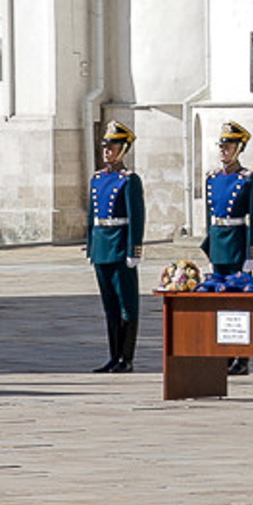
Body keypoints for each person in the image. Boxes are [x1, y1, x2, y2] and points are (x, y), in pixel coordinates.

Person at [202, 124, 253, 373]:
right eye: (222, 146)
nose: (223, 150)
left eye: (228, 146)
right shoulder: (212, 178)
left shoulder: (248, 179)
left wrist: (252, 251)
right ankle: (225, 354)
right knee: (220, 301)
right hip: (218, 244)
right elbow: (209, 217)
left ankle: (242, 357)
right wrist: (209, 248)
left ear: (239, 149)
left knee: (240, 302)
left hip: (237, 243)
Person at [87, 123, 145, 372]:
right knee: (109, 306)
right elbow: (92, 216)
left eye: (112, 147)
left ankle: (126, 358)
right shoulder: (97, 178)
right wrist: (91, 246)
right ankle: (113, 356)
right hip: (102, 245)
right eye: (105, 147)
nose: (107, 151)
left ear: (123, 150)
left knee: (126, 305)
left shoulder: (129, 180)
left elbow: (136, 217)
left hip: (120, 246)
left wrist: (134, 249)